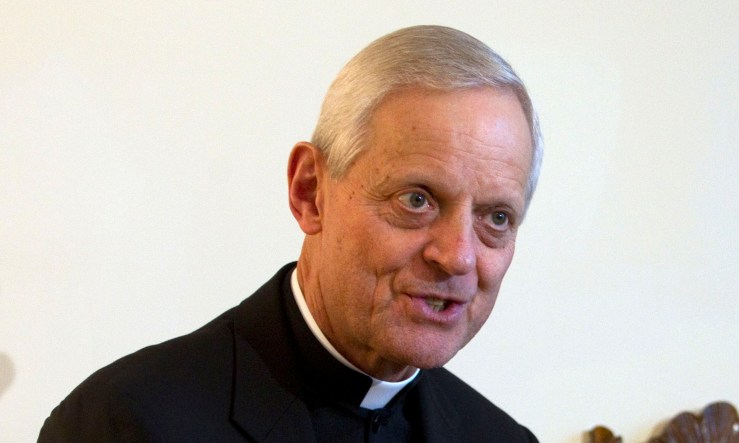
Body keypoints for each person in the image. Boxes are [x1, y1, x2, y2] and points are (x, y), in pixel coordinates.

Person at [39, 24, 543, 442]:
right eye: (416, 200)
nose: (458, 257)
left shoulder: (502, 438)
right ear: (310, 192)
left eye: (496, 218)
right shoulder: (127, 422)